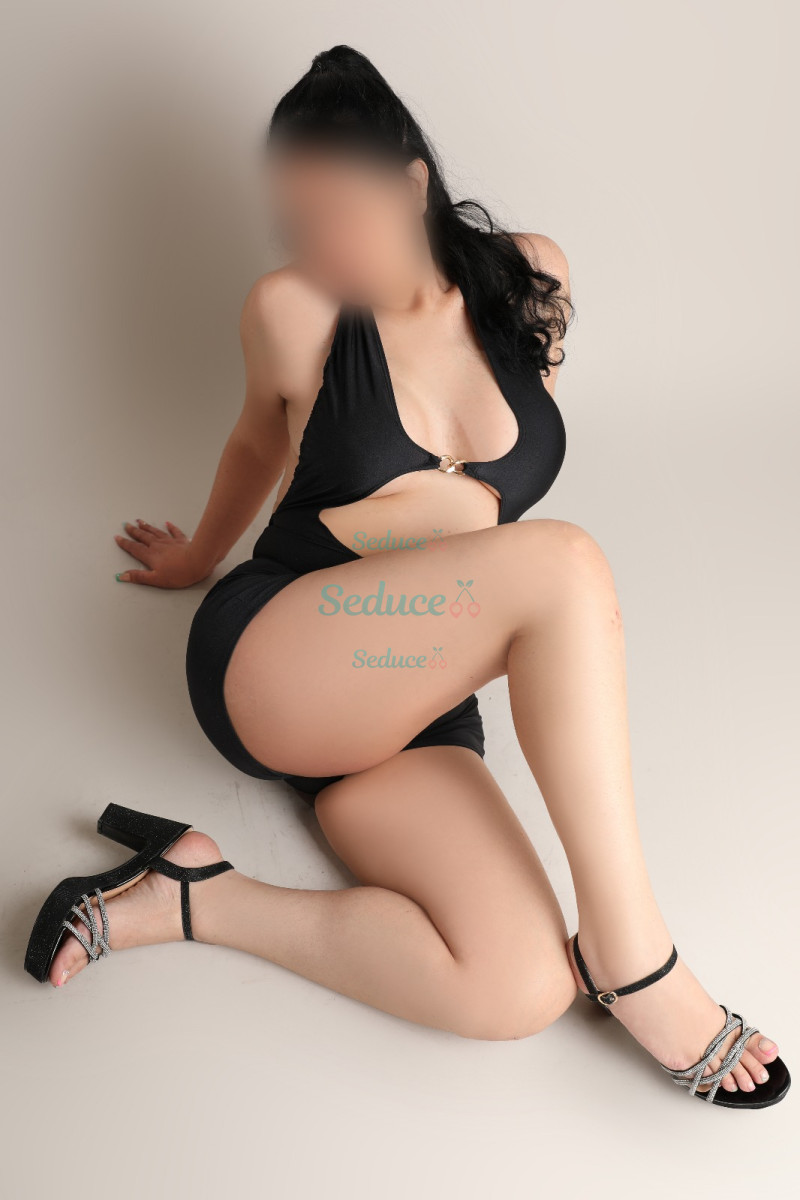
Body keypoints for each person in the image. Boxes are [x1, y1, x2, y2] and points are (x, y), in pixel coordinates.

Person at [26, 44, 789, 1109]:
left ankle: (192, 893)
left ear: (410, 183)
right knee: (565, 564)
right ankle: (634, 956)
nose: (319, 245)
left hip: (411, 692)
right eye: (298, 221)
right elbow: (255, 445)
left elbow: (501, 491)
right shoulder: (293, 311)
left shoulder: (529, 279)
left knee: (519, 985)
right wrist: (200, 557)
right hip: (282, 653)